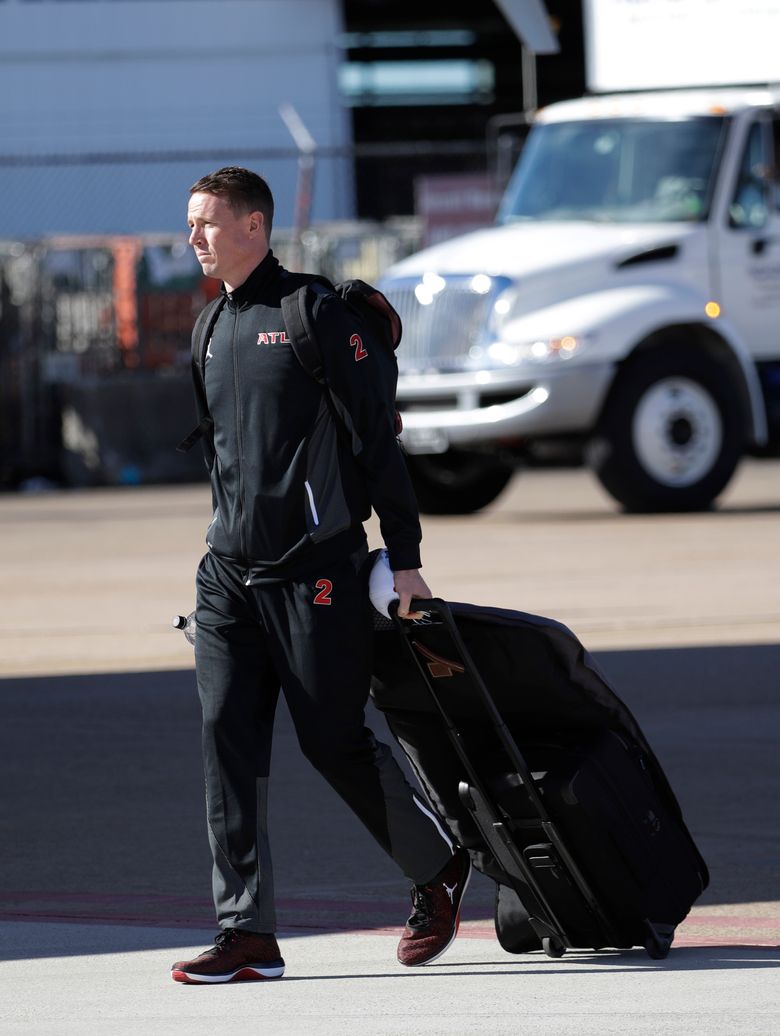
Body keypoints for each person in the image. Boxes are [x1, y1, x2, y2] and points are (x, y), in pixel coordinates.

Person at [171, 167, 471, 984]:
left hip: (318, 573)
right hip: (228, 576)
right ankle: (246, 934)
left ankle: (438, 868)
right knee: (225, 742)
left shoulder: (315, 315)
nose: (192, 237)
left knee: (332, 740)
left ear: (254, 226)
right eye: (191, 224)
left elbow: (377, 441)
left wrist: (405, 559)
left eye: (206, 223)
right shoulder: (207, 328)